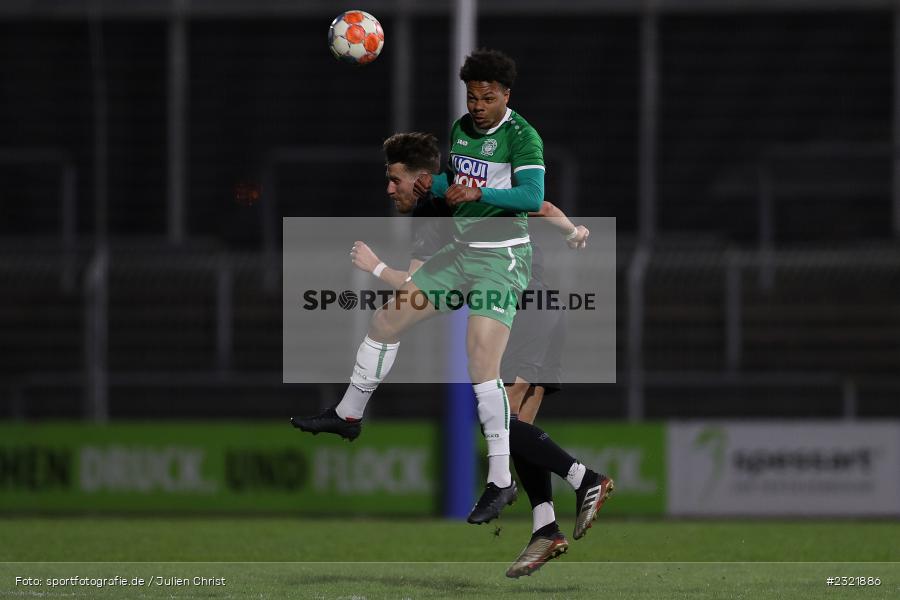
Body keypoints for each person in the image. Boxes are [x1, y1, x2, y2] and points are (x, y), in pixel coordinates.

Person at [292, 48, 546, 525]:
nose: (477, 106)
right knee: (386, 319)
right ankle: (348, 415)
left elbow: (532, 197)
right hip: (462, 253)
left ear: (505, 96)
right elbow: (460, 181)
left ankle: (499, 480)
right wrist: (440, 183)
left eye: (487, 98)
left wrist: (478, 192)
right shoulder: (461, 128)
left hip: (502, 257)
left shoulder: (523, 137)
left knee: (480, 363)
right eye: (472, 97)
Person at [351, 132, 613, 578]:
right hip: (545, 308)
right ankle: (545, 527)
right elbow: (544, 208)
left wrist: (374, 266)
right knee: (517, 428)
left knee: (501, 422)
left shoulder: (440, 213)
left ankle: (584, 478)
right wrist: (575, 232)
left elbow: (412, 291)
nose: (394, 190)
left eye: (398, 181)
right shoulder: (479, 190)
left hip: (524, 309)